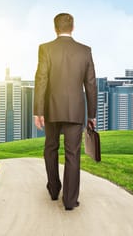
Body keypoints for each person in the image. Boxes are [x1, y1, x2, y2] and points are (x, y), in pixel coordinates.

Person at [34, 12, 97, 211]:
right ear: (73, 27)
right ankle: (70, 200)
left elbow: (41, 79)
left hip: (51, 108)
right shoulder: (85, 51)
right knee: (72, 154)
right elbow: (91, 85)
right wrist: (92, 114)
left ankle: (54, 189)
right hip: (75, 109)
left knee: (50, 148)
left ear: (55, 28)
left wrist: (38, 111)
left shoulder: (45, 49)